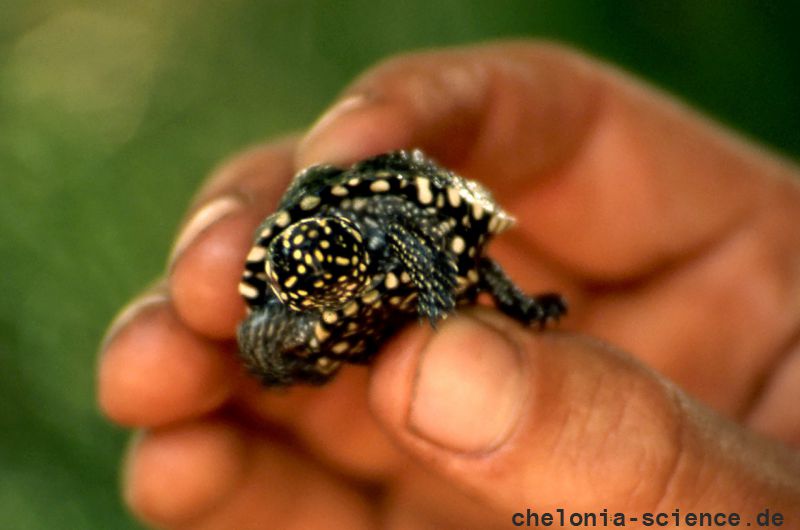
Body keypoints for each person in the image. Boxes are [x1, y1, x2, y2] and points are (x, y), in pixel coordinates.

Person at [97, 42, 800, 529]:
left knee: (467, 271)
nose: (321, 261)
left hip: (419, 247)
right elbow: (263, 321)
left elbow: (423, 237)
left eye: (327, 251)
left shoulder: (378, 228)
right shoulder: (282, 290)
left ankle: (497, 308)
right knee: (254, 343)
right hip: (353, 321)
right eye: (307, 262)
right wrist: (281, 353)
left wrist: (433, 296)